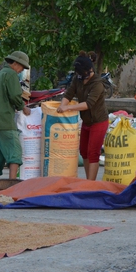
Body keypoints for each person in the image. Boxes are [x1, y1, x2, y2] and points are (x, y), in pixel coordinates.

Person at [57, 51, 109, 180]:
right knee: (84, 152)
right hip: (86, 121)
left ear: (90, 70)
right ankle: (87, 180)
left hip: (99, 122)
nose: (80, 76)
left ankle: (91, 185)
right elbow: (69, 94)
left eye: (82, 74)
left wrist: (67, 108)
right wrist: (62, 105)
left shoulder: (98, 84)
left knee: (93, 153)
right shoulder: (78, 79)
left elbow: (88, 104)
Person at [0, 51, 31, 179]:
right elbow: (15, 96)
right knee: (14, 152)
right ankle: (12, 182)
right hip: (4, 120)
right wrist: (23, 107)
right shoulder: (11, 75)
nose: (21, 70)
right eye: (21, 67)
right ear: (15, 63)